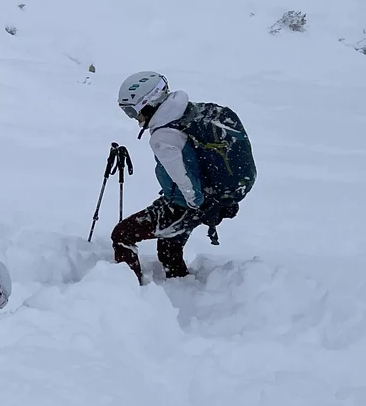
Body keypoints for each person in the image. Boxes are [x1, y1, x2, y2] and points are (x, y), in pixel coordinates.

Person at [109, 71, 256, 282]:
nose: (135, 118)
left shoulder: (164, 136)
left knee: (123, 235)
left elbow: (185, 179)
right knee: (169, 246)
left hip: (187, 203)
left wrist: (196, 205)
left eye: (132, 111)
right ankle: (182, 290)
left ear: (148, 102)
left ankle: (123, 290)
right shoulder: (184, 112)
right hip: (209, 196)